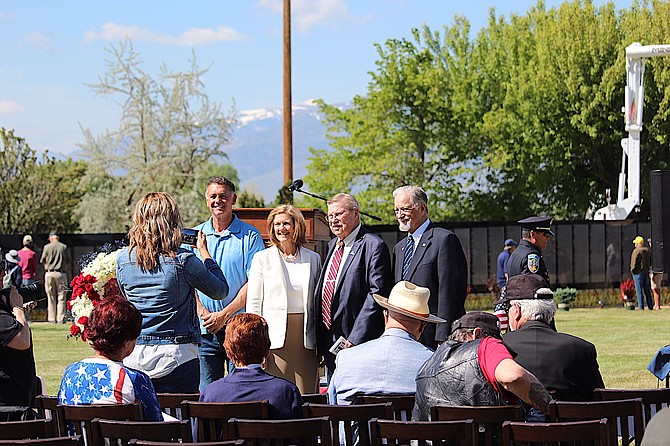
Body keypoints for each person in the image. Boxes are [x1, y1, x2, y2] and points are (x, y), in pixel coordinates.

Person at [116, 192, 229, 393]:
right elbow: (220, 290)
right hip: (178, 354)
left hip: (135, 352)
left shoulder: (124, 260)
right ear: (172, 221)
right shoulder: (183, 259)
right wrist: (205, 254)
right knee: (180, 420)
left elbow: (126, 299)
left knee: (144, 421)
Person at [192, 176, 265, 390]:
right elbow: (185, 279)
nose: (218, 201)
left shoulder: (250, 236)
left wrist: (224, 316)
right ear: (206, 200)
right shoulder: (194, 237)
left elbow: (255, 280)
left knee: (240, 390)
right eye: (213, 196)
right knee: (207, 392)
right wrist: (203, 312)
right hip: (204, 330)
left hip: (238, 329)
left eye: (223, 196)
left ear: (234, 199)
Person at [413, 311, 552, 421]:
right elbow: (514, 376)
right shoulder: (486, 346)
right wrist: (550, 406)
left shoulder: (429, 362)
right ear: (476, 334)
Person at [315, 193, 393, 379]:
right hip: (329, 338)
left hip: (357, 341)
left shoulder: (373, 245)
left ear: (355, 213)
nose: (333, 220)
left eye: (338, 214)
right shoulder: (333, 244)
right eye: (330, 216)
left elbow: (377, 294)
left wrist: (355, 338)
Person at [247, 205, 322, 394]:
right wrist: (257, 344)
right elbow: (254, 304)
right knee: (277, 394)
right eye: (277, 224)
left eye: (286, 224)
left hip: (306, 339)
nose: (281, 229)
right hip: (274, 339)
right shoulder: (262, 258)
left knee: (306, 395)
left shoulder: (313, 258)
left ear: (296, 226)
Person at [329, 281, 442, 405]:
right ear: (422, 326)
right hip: (410, 424)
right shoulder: (435, 363)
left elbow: (332, 404)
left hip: (354, 424)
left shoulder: (345, 358)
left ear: (385, 317)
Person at [57, 295, 162, 421]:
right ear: (127, 342)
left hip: (78, 440)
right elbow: (156, 428)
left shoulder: (70, 373)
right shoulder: (135, 380)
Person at [503, 274, 605, 402]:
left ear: (517, 311)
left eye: (508, 308)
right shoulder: (581, 349)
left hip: (513, 422)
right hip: (570, 421)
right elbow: (599, 400)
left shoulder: (498, 347)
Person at [391, 186, 468, 349]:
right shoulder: (399, 248)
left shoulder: (444, 240)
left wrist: (444, 337)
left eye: (404, 209)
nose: (400, 215)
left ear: (423, 208)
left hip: (432, 338)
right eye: (396, 210)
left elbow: (450, 293)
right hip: (404, 337)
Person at [199, 313, 303, 419]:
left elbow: (198, 434)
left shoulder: (210, 394)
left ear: (228, 353)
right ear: (267, 352)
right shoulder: (287, 392)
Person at [0, 260, 38, 421]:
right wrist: (18, 309)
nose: (3, 273)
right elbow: (22, 341)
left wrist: (13, 313)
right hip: (10, 408)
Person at [506, 216, 553, 285]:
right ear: (533, 234)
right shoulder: (531, 256)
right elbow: (531, 289)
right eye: (545, 234)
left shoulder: (515, 253)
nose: (547, 238)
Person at [40, 232, 71, 324]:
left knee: (51, 297)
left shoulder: (46, 247)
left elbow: (42, 260)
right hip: (60, 273)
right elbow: (68, 260)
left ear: (51, 238)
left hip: (49, 273)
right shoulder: (63, 247)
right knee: (62, 296)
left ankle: (51, 318)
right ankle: (61, 318)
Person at [631, 235, 654, 310]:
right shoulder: (647, 250)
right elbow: (650, 261)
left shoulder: (636, 251)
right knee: (647, 290)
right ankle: (650, 305)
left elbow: (633, 262)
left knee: (639, 289)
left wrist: (632, 270)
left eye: (636, 243)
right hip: (645, 272)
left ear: (638, 243)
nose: (635, 245)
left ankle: (641, 306)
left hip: (637, 273)